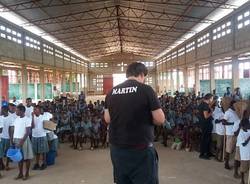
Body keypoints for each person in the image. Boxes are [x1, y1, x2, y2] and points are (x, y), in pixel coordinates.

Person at [104, 62, 165, 184]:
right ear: (142, 74)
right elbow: (160, 119)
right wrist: (146, 118)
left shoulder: (112, 92)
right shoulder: (146, 90)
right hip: (140, 150)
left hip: (117, 149)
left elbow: (107, 119)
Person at [13, 104, 34, 180]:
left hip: (24, 140)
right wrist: (14, 140)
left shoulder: (27, 119)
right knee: (19, 158)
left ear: (22, 111)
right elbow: (15, 130)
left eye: (17, 110)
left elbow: (28, 132)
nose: (16, 111)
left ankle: (27, 173)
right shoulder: (16, 119)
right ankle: (20, 173)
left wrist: (21, 142)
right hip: (17, 140)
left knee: (26, 158)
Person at [223, 100, 240, 170]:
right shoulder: (228, 112)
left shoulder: (235, 112)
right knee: (228, 149)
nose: (236, 106)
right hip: (230, 133)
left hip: (236, 133)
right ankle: (226, 163)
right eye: (235, 105)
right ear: (231, 105)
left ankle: (237, 163)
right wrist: (232, 124)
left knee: (234, 149)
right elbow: (223, 122)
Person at [31, 105, 49, 170]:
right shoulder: (32, 117)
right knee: (36, 151)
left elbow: (48, 126)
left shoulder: (43, 117)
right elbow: (32, 126)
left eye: (35, 109)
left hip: (42, 135)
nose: (34, 111)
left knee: (43, 151)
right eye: (33, 109)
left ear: (39, 110)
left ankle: (44, 163)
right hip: (35, 136)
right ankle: (37, 163)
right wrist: (32, 117)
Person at [198, 93, 214, 160]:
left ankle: (208, 152)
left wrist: (210, 107)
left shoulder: (203, 104)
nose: (212, 100)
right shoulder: (205, 105)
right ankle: (202, 154)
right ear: (209, 98)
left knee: (208, 139)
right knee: (205, 139)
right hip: (205, 124)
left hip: (205, 124)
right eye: (212, 98)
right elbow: (206, 116)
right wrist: (211, 112)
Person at [0, 106, 14, 171]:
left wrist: (11, 139)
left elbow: (11, 129)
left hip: (7, 137)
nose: (0, 111)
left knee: (8, 152)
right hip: (1, 137)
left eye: (1, 110)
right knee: (0, 152)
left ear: (5, 111)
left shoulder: (11, 118)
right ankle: (2, 164)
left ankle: (7, 165)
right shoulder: (0, 117)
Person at [238, 118, 250, 184]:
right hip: (245, 155)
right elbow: (244, 144)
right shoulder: (241, 134)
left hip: (249, 153)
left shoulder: (249, 131)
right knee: (243, 169)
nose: (249, 125)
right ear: (243, 126)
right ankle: (242, 180)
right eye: (247, 124)